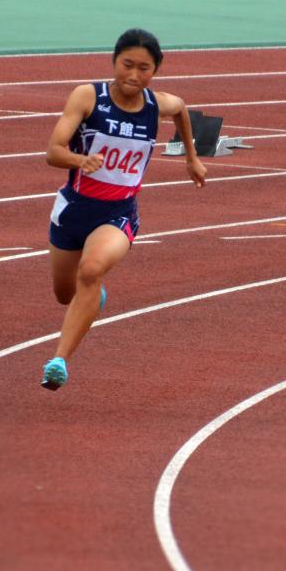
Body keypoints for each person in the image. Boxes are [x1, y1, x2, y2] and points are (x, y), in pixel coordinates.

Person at [40, 28, 207, 390]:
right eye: (126, 65)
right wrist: (79, 158)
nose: (133, 75)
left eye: (143, 68)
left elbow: (180, 110)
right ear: (113, 61)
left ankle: (59, 360)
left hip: (117, 214)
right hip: (72, 210)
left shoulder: (156, 104)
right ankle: (91, 297)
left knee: (93, 268)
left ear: (156, 71)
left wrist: (191, 159)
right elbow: (53, 152)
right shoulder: (88, 97)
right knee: (64, 294)